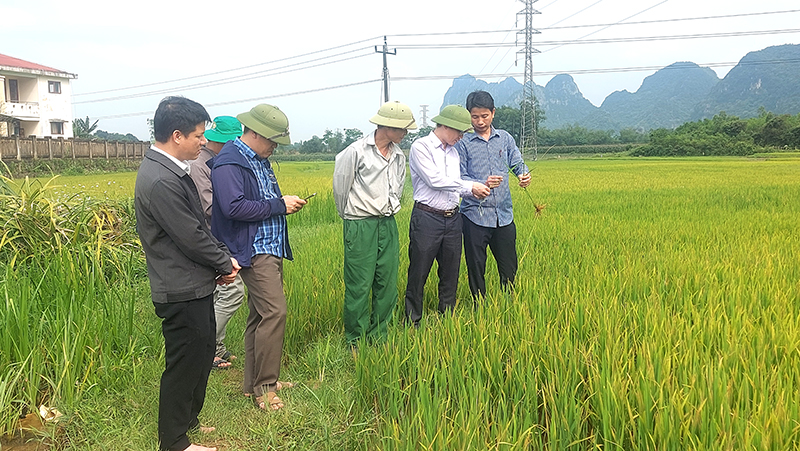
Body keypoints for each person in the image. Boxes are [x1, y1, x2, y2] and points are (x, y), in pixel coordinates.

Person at [135, 96, 239, 451]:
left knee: (202, 351)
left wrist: (221, 260)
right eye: (198, 136)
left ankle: (187, 420)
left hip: (193, 283)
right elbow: (190, 235)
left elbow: (197, 227)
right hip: (179, 288)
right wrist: (224, 264)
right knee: (183, 363)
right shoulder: (162, 179)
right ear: (177, 135)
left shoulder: (170, 169)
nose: (202, 142)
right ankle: (174, 441)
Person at [210, 103, 306, 411]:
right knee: (275, 313)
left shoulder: (258, 159)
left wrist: (280, 204)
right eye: (272, 141)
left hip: (271, 246)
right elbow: (233, 207)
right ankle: (266, 388)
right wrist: (280, 205)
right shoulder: (230, 162)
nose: (275, 147)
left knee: (259, 315)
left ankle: (254, 383)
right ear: (254, 133)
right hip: (254, 249)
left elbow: (260, 199)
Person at [333, 101, 417, 345]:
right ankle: (355, 340)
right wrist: (351, 218)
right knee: (359, 284)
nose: (405, 133)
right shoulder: (355, 151)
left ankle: (379, 337)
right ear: (387, 126)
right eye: (402, 128)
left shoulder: (399, 156)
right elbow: (341, 190)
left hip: (387, 223)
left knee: (387, 283)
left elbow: (397, 189)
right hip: (360, 224)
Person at [403, 105, 496, 327]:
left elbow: (454, 187)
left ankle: (447, 317)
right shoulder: (421, 147)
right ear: (445, 126)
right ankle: (413, 321)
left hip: (453, 218)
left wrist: (476, 188)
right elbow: (435, 181)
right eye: (459, 132)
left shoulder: (454, 152)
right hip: (427, 219)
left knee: (451, 271)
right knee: (419, 270)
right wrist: (470, 185)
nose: (461, 137)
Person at [455, 90, 531, 299]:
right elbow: (459, 177)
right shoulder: (463, 142)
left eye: (484, 116)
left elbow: (517, 162)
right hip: (474, 215)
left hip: (504, 215)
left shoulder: (504, 138)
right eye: (475, 116)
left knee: (509, 264)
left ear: (493, 113)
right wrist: (481, 184)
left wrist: (524, 175)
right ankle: (480, 304)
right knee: (476, 265)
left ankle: (509, 301)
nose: (480, 121)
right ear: (468, 115)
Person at [188, 115, 246, 369]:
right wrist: (243, 210)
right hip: (210, 238)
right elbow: (209, 206)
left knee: (217, 294)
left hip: (218, 237)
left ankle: (216, 346)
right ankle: (208, 349)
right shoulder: (200, 165)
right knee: (233, 292)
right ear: (223, 142)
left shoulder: (213, 160)